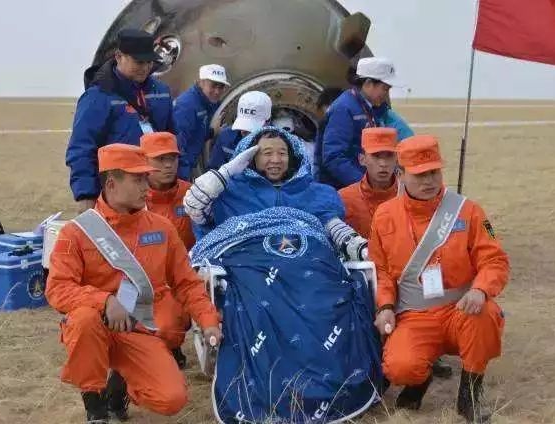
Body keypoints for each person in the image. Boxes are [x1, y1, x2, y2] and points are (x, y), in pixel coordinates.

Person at [46, 144, 221, 423]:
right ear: (112, 184)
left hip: (138, 328)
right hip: (95, 325)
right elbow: (58, 288)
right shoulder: (75, 233)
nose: (146, 187)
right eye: (138, 179)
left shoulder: (161, 229)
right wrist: (104, 301)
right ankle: (95, 406)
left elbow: (187, 283)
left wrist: (209, 321)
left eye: (145, 178)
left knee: (172, 399)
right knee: (84, 321)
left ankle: (120, 384)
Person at [369, 135, 508, 423]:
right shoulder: (384, 216)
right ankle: (419, 380)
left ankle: (469, 396)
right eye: (419, 174)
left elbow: (494, 260)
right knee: (399, 367)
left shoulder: (469, 210)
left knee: (486, 314)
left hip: (461, 309)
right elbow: (381, 271)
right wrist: (385, 307)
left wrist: (481, 290)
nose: (429, 181)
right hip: (414, 314)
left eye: (433, 172)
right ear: (400, 174)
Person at [339, 128, 453, 379]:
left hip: (411, 276)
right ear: (362, 159)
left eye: (389, 156)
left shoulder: (418, 193)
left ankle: (432, 348)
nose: (383, 164)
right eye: (376, 156)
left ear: (398, 160)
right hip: (365, 278)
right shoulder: (344, 198)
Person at [184, 127, 369, 262]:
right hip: (246, 270)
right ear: (251, 158)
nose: (276, 160)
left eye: (282, 153)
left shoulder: (316, 193)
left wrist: (360, 248)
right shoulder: (230, 193)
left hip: (307, 270)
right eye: (266, 153)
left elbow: (334, 227)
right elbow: (194, 207)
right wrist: (226, 171)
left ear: (292, 157)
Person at [66, 29, 174, 213]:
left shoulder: (161, 92)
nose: (145, 68)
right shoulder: (98, 96)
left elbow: (173, 139)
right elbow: (81, 148)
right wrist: (86, 195)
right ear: (118, 56)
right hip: (117, 195)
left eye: (149, 62)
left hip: (157, 193)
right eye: (138, 62)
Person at [141, 131, 194, 368]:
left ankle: (171, 343)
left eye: (172, 158)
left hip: (184, 276)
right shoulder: (133, 199)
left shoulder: (193, 195)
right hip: (145, 279)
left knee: (173, 323)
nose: (168, 165)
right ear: (143, 161)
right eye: (160, 159)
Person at [317, 57, 405, 189]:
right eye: (385, 89)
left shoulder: (371, 109)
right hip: (342, 190)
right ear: (368, 83)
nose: (386, 94)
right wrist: (364, 184)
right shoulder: (344, 109)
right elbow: (333, 157)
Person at [174, 64, 230, 180]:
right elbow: (178, 146)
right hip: (181, 168)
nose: (217, 91)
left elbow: (197, 133)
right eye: (213, 85)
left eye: (221, 87)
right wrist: (183, 178)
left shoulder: (210, 103)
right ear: (201, 82)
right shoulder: (186, 106)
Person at [207, 91, 272, 170]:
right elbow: (214, 169)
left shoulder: (280, 143)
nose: (243, 131)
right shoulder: (226, 137)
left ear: (268, 121)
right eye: (243, 124)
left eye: (250, 127)